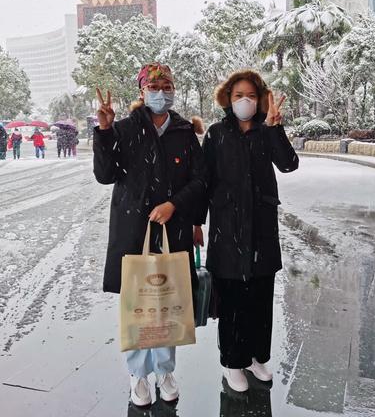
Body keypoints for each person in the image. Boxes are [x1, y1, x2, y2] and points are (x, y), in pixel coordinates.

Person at [93, 63, 206, 407]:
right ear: (141, 91)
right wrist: (104, 130)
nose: (161, 90)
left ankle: (165, 370)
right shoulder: (125, 129)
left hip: (173, 228)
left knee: (168, 300)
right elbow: (105, 174)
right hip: (133, 228)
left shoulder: (185, 132)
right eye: (153, 84)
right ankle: (138, 375)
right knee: (139, 302)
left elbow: (200, 180)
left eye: (167, 84)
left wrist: (180, 209)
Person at [195, 70, 299, 393]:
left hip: (261, 232)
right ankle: (232, 363)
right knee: (232, 302)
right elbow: (203, 180)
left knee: (259, 298)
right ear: (228, 98)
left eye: (251, 96)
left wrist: (276, 128)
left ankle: (256, 357)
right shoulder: (215, 134)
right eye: (239, 95)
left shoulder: (266, 132)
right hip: (227, 231)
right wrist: (197, 221)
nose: (245, 101)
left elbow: (289, 164)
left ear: (260, 99)